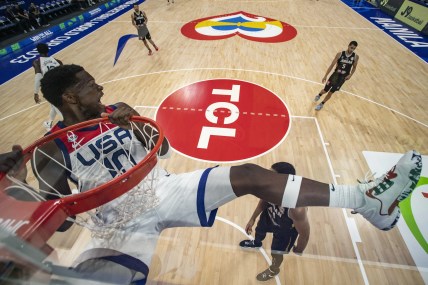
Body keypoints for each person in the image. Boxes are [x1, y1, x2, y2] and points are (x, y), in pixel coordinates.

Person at [36, 64, 421, 284]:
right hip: (117, 222)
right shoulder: (52, 148)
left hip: (164, 188)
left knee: (251, 174)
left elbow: (164, 151)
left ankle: (367, 201)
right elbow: (61, 222)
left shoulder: (119, 110)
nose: (99, 85)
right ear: (69, 98)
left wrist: (136, 125)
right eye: (88, 84)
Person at [239, 162, 310, 281]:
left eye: (271, 175)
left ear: (283, 180)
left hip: (286, 230)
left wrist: (299, 249)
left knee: (276, 252)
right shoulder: (270, 187)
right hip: (270, 214)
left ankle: (274, 269)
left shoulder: (297, 207)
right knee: (259, 229)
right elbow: (263, 202)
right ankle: (257, 242)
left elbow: (305, 234)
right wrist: (252, 218)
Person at [314, 41, 359, 111]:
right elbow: (332, 65)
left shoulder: (355, 57)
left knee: (331, 92)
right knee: (325, 90)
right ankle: (319, 95)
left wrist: (350, 75)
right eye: (351, 47)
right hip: (335, 75)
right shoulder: (340, 54)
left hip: (342, 78)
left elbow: (354, 67)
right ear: (348, 46)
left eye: (354, 48)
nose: (352, 49)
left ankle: (321, 104)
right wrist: (325, 76)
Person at [32, 43, 63, 130]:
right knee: (57, 106)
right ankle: (49, 123)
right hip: (61, 86)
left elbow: (38, 77)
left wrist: (35, 93)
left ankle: (49, 123)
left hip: (49, 89)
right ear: (48, 50)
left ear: (38, 51)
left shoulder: (37, 62)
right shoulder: (57, 61)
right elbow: (65, 74)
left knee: (57, 107)